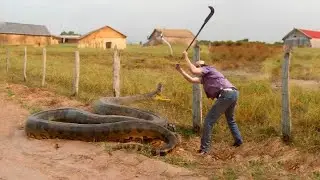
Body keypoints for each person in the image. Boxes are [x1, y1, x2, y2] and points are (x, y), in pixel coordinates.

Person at [175, 50, 243, 155]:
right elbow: (192, 80)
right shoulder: (206, 77)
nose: (196, 67)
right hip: (233, 93)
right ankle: (239, 142)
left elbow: (193, 71)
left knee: (208, 121)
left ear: (202, 66)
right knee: (230, 119)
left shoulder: (208, 69)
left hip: (226, 94)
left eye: (198, 66)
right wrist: (180, 70)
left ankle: (204, 149)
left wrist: (186, 57)